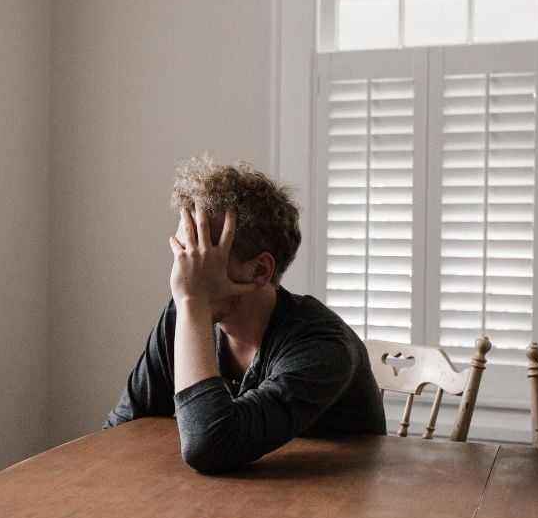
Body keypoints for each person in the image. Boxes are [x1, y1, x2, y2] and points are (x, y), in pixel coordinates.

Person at [106, 156, 386, 472]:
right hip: (233, 499)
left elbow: (208, 445)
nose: (183, 273)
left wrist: (192, 303)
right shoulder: (182, 317)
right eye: (183, 253)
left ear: (260, 270)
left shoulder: (323, 345)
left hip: (336, 504)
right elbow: (120, 431)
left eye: (202, 255)